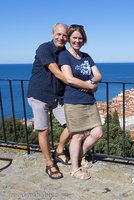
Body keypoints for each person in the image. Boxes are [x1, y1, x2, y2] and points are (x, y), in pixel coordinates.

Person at [59, 24, 103, 180]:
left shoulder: (86, 56)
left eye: (80, 38)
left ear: (83, 40)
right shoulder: (65, 56)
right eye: (74, 38)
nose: (77, 41)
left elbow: (98, 75)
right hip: (74, 101)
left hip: (89, 101)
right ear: (69, 39)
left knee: (97, 132)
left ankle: (79, 156)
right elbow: (69, 79)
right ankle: (75, 169)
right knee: (77, 136)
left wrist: (90, 82)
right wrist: (90, 86)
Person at [27, 23, 71, 179]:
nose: (61, 37)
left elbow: (70, 71)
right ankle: (50, 164)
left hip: (57, 97)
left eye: (64, 35)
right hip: (39, 96)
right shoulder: (44, 48)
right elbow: (57, 72)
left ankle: (59, 151)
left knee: (73, 126)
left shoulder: (65, 53)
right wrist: (82, 85)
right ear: (53, 34)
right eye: (58, 34)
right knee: (44, 131)